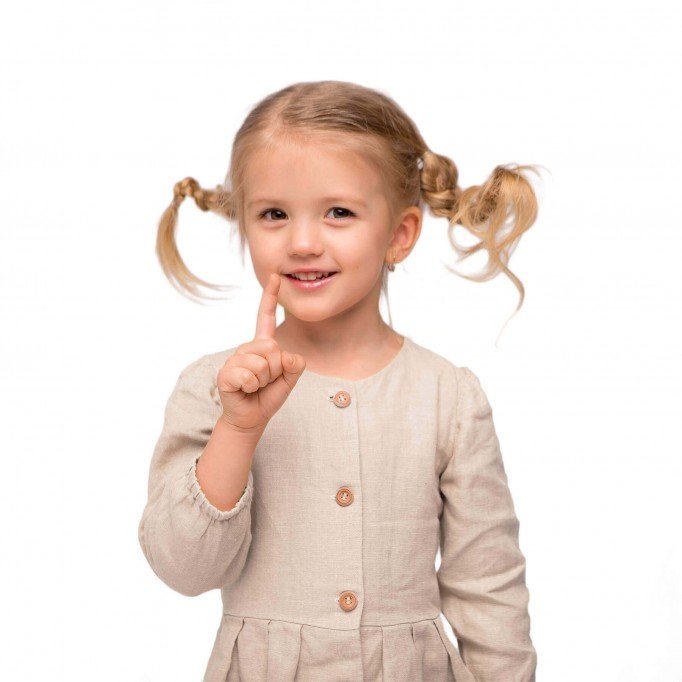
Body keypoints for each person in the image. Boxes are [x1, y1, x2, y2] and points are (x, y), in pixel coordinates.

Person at [138, 80, 541, 681]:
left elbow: (489, 586)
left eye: (339, 213)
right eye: (274, 214)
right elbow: (184, 569)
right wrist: (238, 430)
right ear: (245, 227)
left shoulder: (447, 397)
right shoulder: (215, 387)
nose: (303, 243)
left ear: (399, 235)